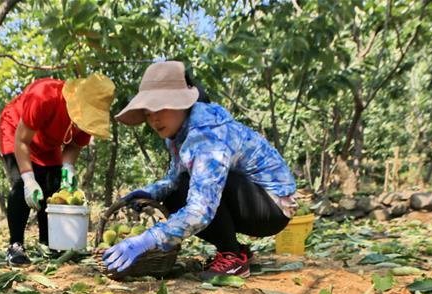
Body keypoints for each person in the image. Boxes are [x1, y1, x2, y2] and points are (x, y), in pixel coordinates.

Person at [103, 61, 297, 279]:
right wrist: (152, 192)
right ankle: (236, 250)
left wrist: (147, 239)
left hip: (271, 207)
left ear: (182, 104)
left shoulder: (207, 135)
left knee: (190, 188)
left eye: (160, 108)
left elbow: (200, 209)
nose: (154, 119)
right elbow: (175, 179)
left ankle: (232, 258)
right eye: (148, 113)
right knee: (174, 193)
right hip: (253, 203)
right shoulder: (178, 136)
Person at [0, 73, 115, 265]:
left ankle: (48, 243)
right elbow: (22, 140)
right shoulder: (44, 96)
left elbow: (74, 145)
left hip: (48, 143)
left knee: (52, 188)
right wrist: (28, 179)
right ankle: (15, 245)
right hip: (16, 131)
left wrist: (68, 166)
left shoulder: (87, 120)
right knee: (21, 186)